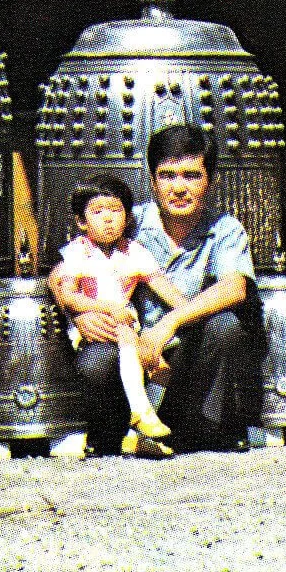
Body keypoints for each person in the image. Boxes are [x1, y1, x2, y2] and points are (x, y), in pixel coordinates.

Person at [76, 124, 256, 455]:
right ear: (152, 179)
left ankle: (198, 428)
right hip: (127, 343)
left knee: (226, 326)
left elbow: (235, 287)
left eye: (191, 176)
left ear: (210, 180)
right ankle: (112, 434)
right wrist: (77, 312)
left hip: (185, 354)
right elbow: (64, 269)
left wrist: (169, 324)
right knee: (95, 361)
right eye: (167, 176)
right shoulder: (126, 221)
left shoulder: (225, 229)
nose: (179, 188)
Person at [47, 174, 187, 458]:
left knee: (159, 364)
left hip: (125, 326)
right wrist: (106, 308)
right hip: (94, 325)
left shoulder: (133, 252)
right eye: (98, 212)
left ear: (128, 217)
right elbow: (69, 295)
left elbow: (164, 288)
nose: (108, 218)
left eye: (116, 210)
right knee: (126, 337)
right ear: (81, 221)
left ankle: (140, 430)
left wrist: (189, 310)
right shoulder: (77, 253)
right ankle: (139, 409)